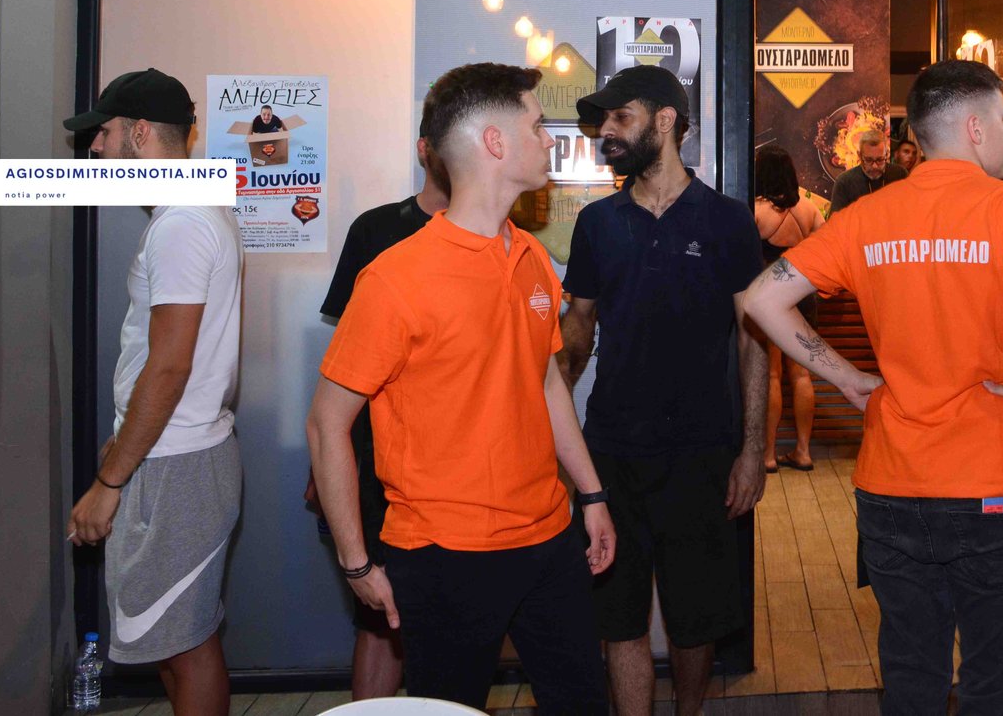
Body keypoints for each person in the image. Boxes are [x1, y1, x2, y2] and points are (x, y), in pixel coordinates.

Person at [744, 60, 1003, 715]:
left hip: (893, 485)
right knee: (996, 687)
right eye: (1001, 121)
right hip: (994, 482)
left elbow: (763, 298)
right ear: (974, 128)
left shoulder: (868, 215)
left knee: (911, 678)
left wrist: (847, 377)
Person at [306, 63, 613, 712]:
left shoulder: (531, 256)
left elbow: (546, 383)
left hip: (548, 537)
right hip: (442, 554)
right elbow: (327, 421)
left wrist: (590, 493)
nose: (549, 139)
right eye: (537, 124)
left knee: (584, 701)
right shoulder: (394, 278)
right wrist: (356, 561)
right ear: (495, 142)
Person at [561, 65, 767, 716]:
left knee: (695, 617)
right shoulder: (597, 223)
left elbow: (754, 340)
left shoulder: (728, 221)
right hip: (612, 450)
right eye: (604, 120)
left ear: (667, 120)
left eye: (621, 117)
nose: (607, 131)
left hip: (702, 451)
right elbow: (577, 331)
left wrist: (752, 449)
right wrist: (550, 428)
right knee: (618, 615)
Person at [64, 68, 245, 716]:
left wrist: (109, 482)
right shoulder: (195, 210)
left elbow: (169, 369)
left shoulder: (182, 221)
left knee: (185, 646)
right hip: (175, 455)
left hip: (176, 464)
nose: (95, 148)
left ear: (140, 134)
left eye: (104, 133)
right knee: (175, 643)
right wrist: (125, 452)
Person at [308, 96, 449, 699]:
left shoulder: (500, 235)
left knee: (457, 622)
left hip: (460, 466)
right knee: (381, 618)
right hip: (377, 461)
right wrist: (328, 462)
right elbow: (343, 360)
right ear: (424, 149)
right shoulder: (376, 229)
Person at [753, 143, 824, 473]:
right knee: (801, 373)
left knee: (772, 373)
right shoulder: (809, 209)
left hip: (769, 293)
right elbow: (825, 249)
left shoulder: (755, 211)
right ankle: (803, 451)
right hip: (802, 294)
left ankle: (768, 455)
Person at [828, 130, 906, 214]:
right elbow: (836, 220)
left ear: (887, 154)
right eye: (869, 160)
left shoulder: (900, 175)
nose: (875, 166)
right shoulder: (845, 182)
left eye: (880, 160)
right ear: (859, 155)